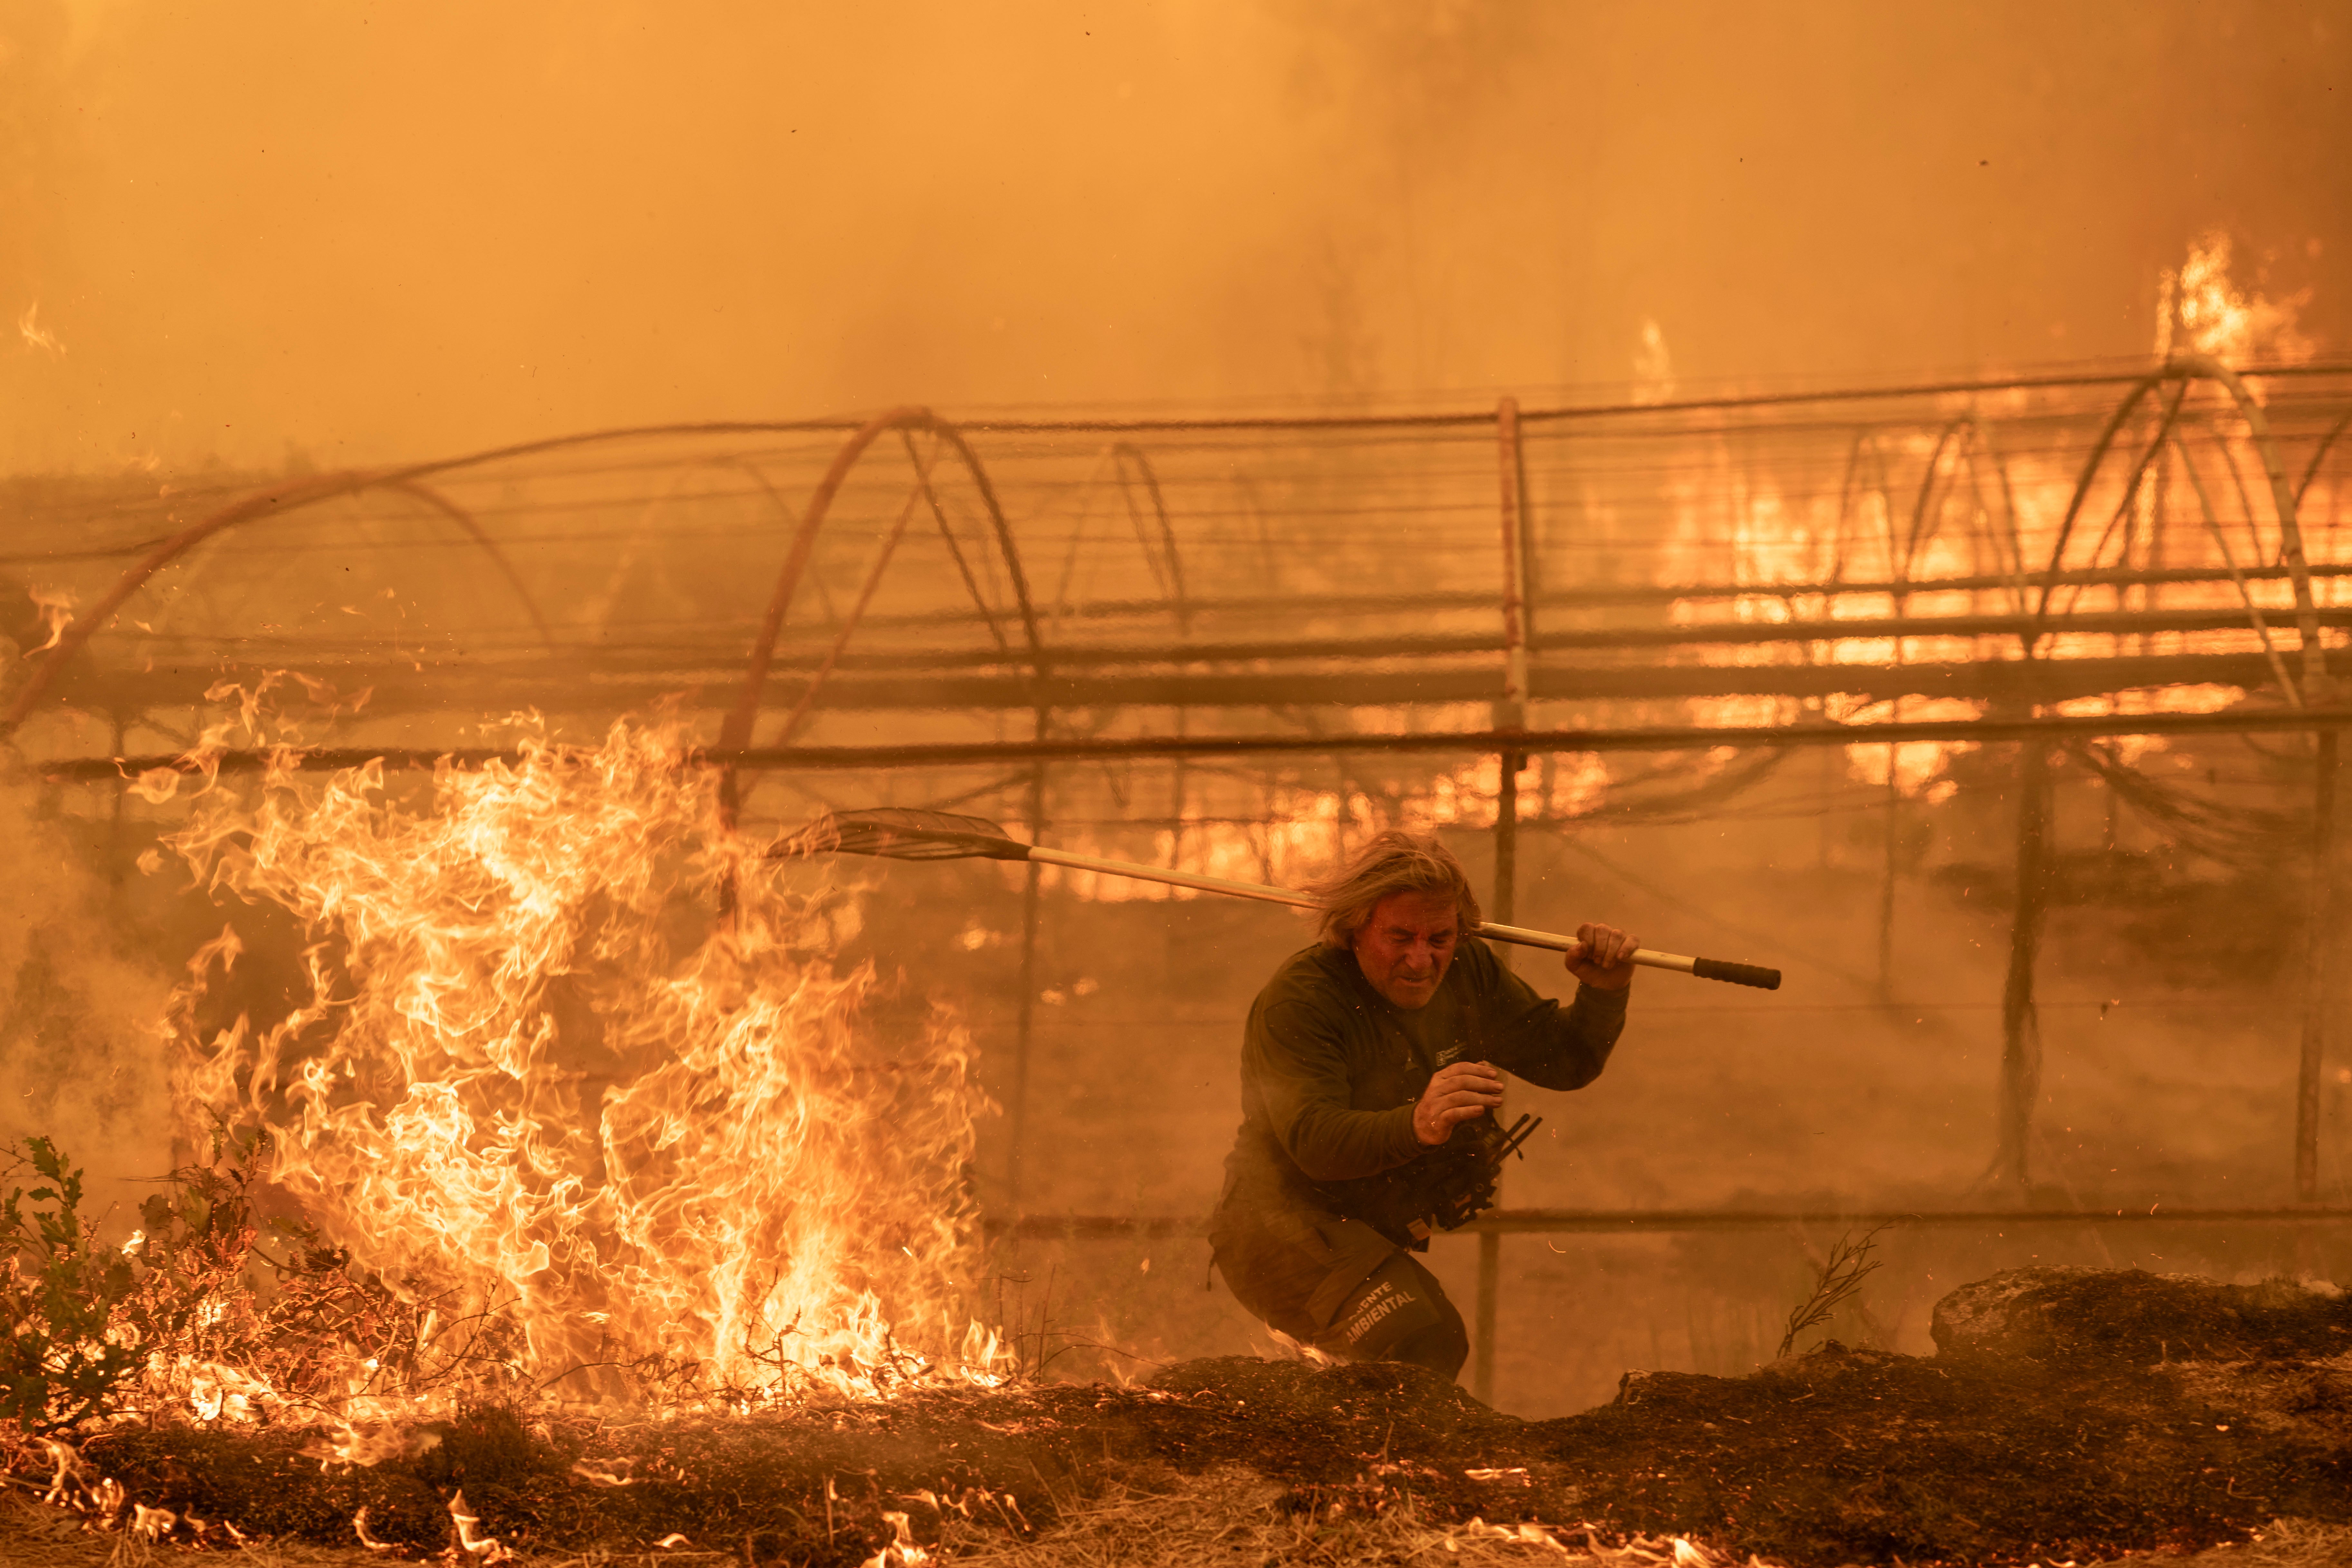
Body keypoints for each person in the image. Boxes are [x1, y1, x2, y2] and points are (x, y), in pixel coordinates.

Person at [1208, 829, 1636, 1382]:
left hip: (1358, 1227)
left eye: (1440, 937)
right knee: (1418, 1340)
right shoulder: (1301, 1000)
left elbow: (1565, 1062)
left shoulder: (1469, 969)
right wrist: (1416, 1123)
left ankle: (1360, 1463)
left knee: (1428, 1343)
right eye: (1400, 937)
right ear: (1355, 929)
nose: (1421, 960)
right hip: (1275, 1225)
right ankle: (1362, 1467)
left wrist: (1605, 993)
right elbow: (1314, 1142)